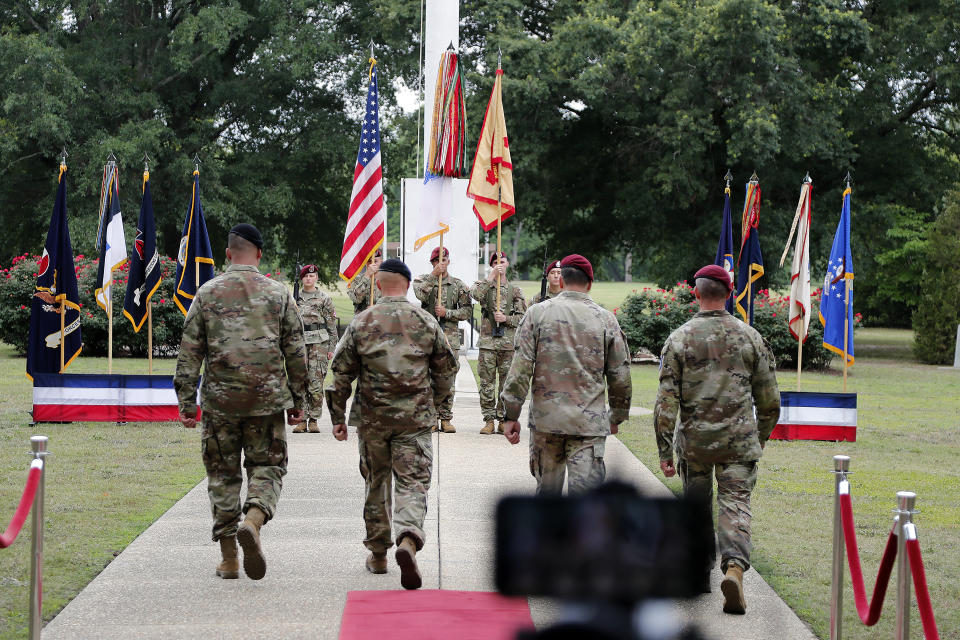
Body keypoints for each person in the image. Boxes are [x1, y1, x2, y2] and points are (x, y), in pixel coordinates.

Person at [174, 223, 307, 581]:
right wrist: (300, 400)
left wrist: (187, 401)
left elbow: (189, 352)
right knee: (268, 467)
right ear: (259, 254)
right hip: (266, 402)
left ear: (229, 253)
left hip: (220, 403)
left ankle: (230, 558)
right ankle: (254, 519)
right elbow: (296, 352)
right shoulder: (279, 295)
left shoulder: (207, 293)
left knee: (223, 476)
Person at [653, 263, 780, 614]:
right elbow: (770, 401)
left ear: (696, 293)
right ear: (728, 294)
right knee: (735, 505)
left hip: (694, 443)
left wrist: (664, 448)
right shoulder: (750, 337)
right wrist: (761, 437)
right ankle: (735, 569)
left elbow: (666, 402)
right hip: (738, 442)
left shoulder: (679, 338)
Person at [326, 258, 458, 590]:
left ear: (380, 284)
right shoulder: (425, 321)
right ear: (409, 285)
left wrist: (338, 417)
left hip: (373, 419)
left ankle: (378, 555)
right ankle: (409, 538)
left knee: (376, 484)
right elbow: (446, 369)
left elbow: (340, 373)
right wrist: (440, 407)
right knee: (412, 482)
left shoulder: (362, 322)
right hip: (414, 419)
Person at [500, 254, 632, 495]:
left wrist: (511, 414)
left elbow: (520, 369)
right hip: (588, 426)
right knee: (586, 507)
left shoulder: (536, 314)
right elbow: (620, 376)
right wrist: (616, 417)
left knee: (547, 502)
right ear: (590, 283)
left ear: (561, 282)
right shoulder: (606, 320)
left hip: (546, 422)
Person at [413, 246, 473, 433]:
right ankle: (430, 418)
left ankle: (445, 417)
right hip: (428, 336)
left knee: (448, 377)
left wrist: (447, 312)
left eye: (444, 260)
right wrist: (433, 275)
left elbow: (467, 311)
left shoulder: (458, 285)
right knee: (428, 377)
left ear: (449, 261)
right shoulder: (423, 280)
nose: (441, 263)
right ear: (431, 263)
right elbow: (419, 294)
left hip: (449, 336)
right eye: (436, 261)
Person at [470, 252, 527, 434]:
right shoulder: (484, 286)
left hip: (507, 344)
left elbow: (522, 318)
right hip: (487, 343)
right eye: (495, 262)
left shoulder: (515, 291)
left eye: (502, 262)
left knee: (505, 385)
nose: (499, 265)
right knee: (486, 383)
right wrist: (492, 275)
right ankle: (488, 420)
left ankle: (502, 418)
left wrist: (506, 318)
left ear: (508, 263)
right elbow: (476, 295)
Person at [292, 264, 338, 433]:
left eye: (312, 276)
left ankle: (314, 420)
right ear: (302, 279)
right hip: (300, 343)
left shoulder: (324, 298)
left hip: (319, 344)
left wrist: (332, 347)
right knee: (300, 382)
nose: (309, 279)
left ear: (316, 278)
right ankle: (301, 420)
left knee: (316, 384)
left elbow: (332, 325)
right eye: (305, 276)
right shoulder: (294, 299)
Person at [347, 248, 383, 314]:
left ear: (381, 261)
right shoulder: (355, 280)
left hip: (381, 320)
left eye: (375, 261)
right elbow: (356, 299)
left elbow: (393, 302)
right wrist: (367, 276)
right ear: (365, 263)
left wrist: (377, 308)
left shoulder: (387, 280)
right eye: (369, 261)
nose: (372, 264)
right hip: (362, 321)